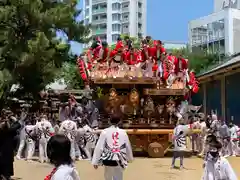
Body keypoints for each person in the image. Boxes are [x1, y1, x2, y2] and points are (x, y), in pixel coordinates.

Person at [92, 115, 133, 180]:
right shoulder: (123, 132)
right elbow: (127, 146)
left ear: (109, 122)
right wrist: (129, 158)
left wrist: (95, 161)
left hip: (108, 158)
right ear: (119, 122)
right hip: (119, 158)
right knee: (118, 177)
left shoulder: (105, 131)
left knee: (108, 177)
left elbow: (99, 146)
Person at [0, 115, 21, 180]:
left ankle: (3, 175)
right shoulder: (10, 131)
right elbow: (18, 124)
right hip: (8, 151)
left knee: (2, 163)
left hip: (1, 151)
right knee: (8, 164)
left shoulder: (2, 131)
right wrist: (14, 119)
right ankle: (6, 176)